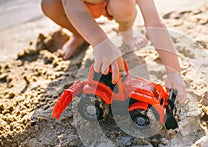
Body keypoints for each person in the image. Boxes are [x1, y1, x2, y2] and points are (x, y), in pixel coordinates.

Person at [41, 0, 187, 102]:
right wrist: (99, 41)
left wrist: (173, 70)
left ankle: (126, 31)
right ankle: (79, 34)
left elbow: (154, 22)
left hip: (115, 4)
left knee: (124, 5)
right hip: (77, 7)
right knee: (49, 5)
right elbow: (70, 3)